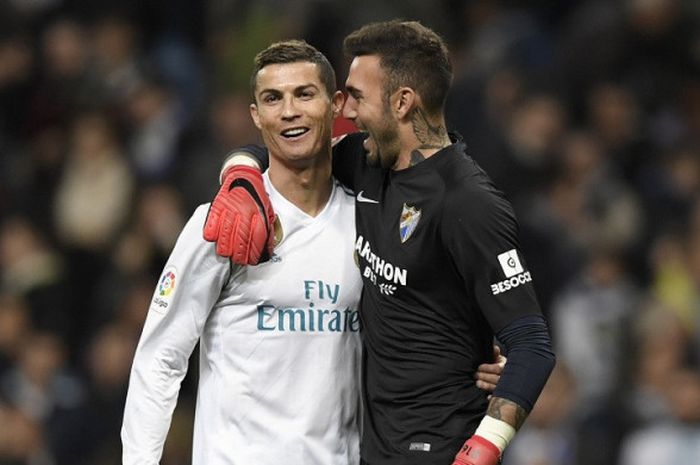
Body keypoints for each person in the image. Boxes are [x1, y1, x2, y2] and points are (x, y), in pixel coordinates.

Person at [121, 39, 503, 465]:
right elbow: (160, 359)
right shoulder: (224, 222)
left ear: (336, 103)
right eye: (272, 98)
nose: (289, 111)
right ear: (256, 116)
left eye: (304, 94)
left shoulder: (367, 219)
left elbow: (416, 315)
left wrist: (476, 352)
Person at [204, 20, 555, 465]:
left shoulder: (469, 203)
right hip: (372, 451)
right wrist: (240, 176)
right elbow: (285, 149)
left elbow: (531, 346)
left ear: (403, 102)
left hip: (440, 450)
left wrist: (481, 450)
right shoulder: (367, 161)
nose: (345, 111)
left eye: (357, 96)